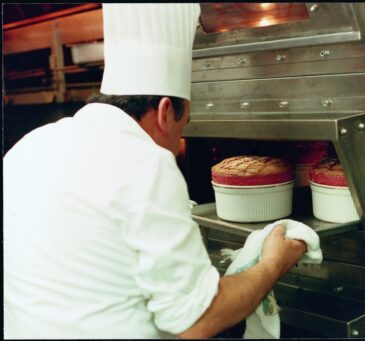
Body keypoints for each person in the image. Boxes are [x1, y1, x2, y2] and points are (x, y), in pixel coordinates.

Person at [3, 4, 307, 339]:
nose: (179, 146)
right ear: (165, 111)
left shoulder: (28, 147)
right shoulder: (143, 161)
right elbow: (198, 321)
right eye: (182, 127)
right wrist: (273, 262)